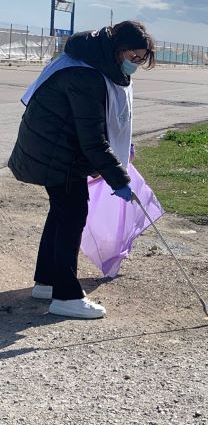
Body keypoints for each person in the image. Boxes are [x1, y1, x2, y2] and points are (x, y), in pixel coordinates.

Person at [8, 20, 155, 319]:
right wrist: (118, 178)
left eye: (142, 58)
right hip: (55, 152)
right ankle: (66, 295)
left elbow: (101, 124)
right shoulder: (83, 75)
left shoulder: (91, 62)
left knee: (62, 212)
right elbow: (92, 139)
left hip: (56, 148)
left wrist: (122, 149)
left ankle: (47, 281)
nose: (136, 64)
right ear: (118, 50)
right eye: (134, 57)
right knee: (72, 214)